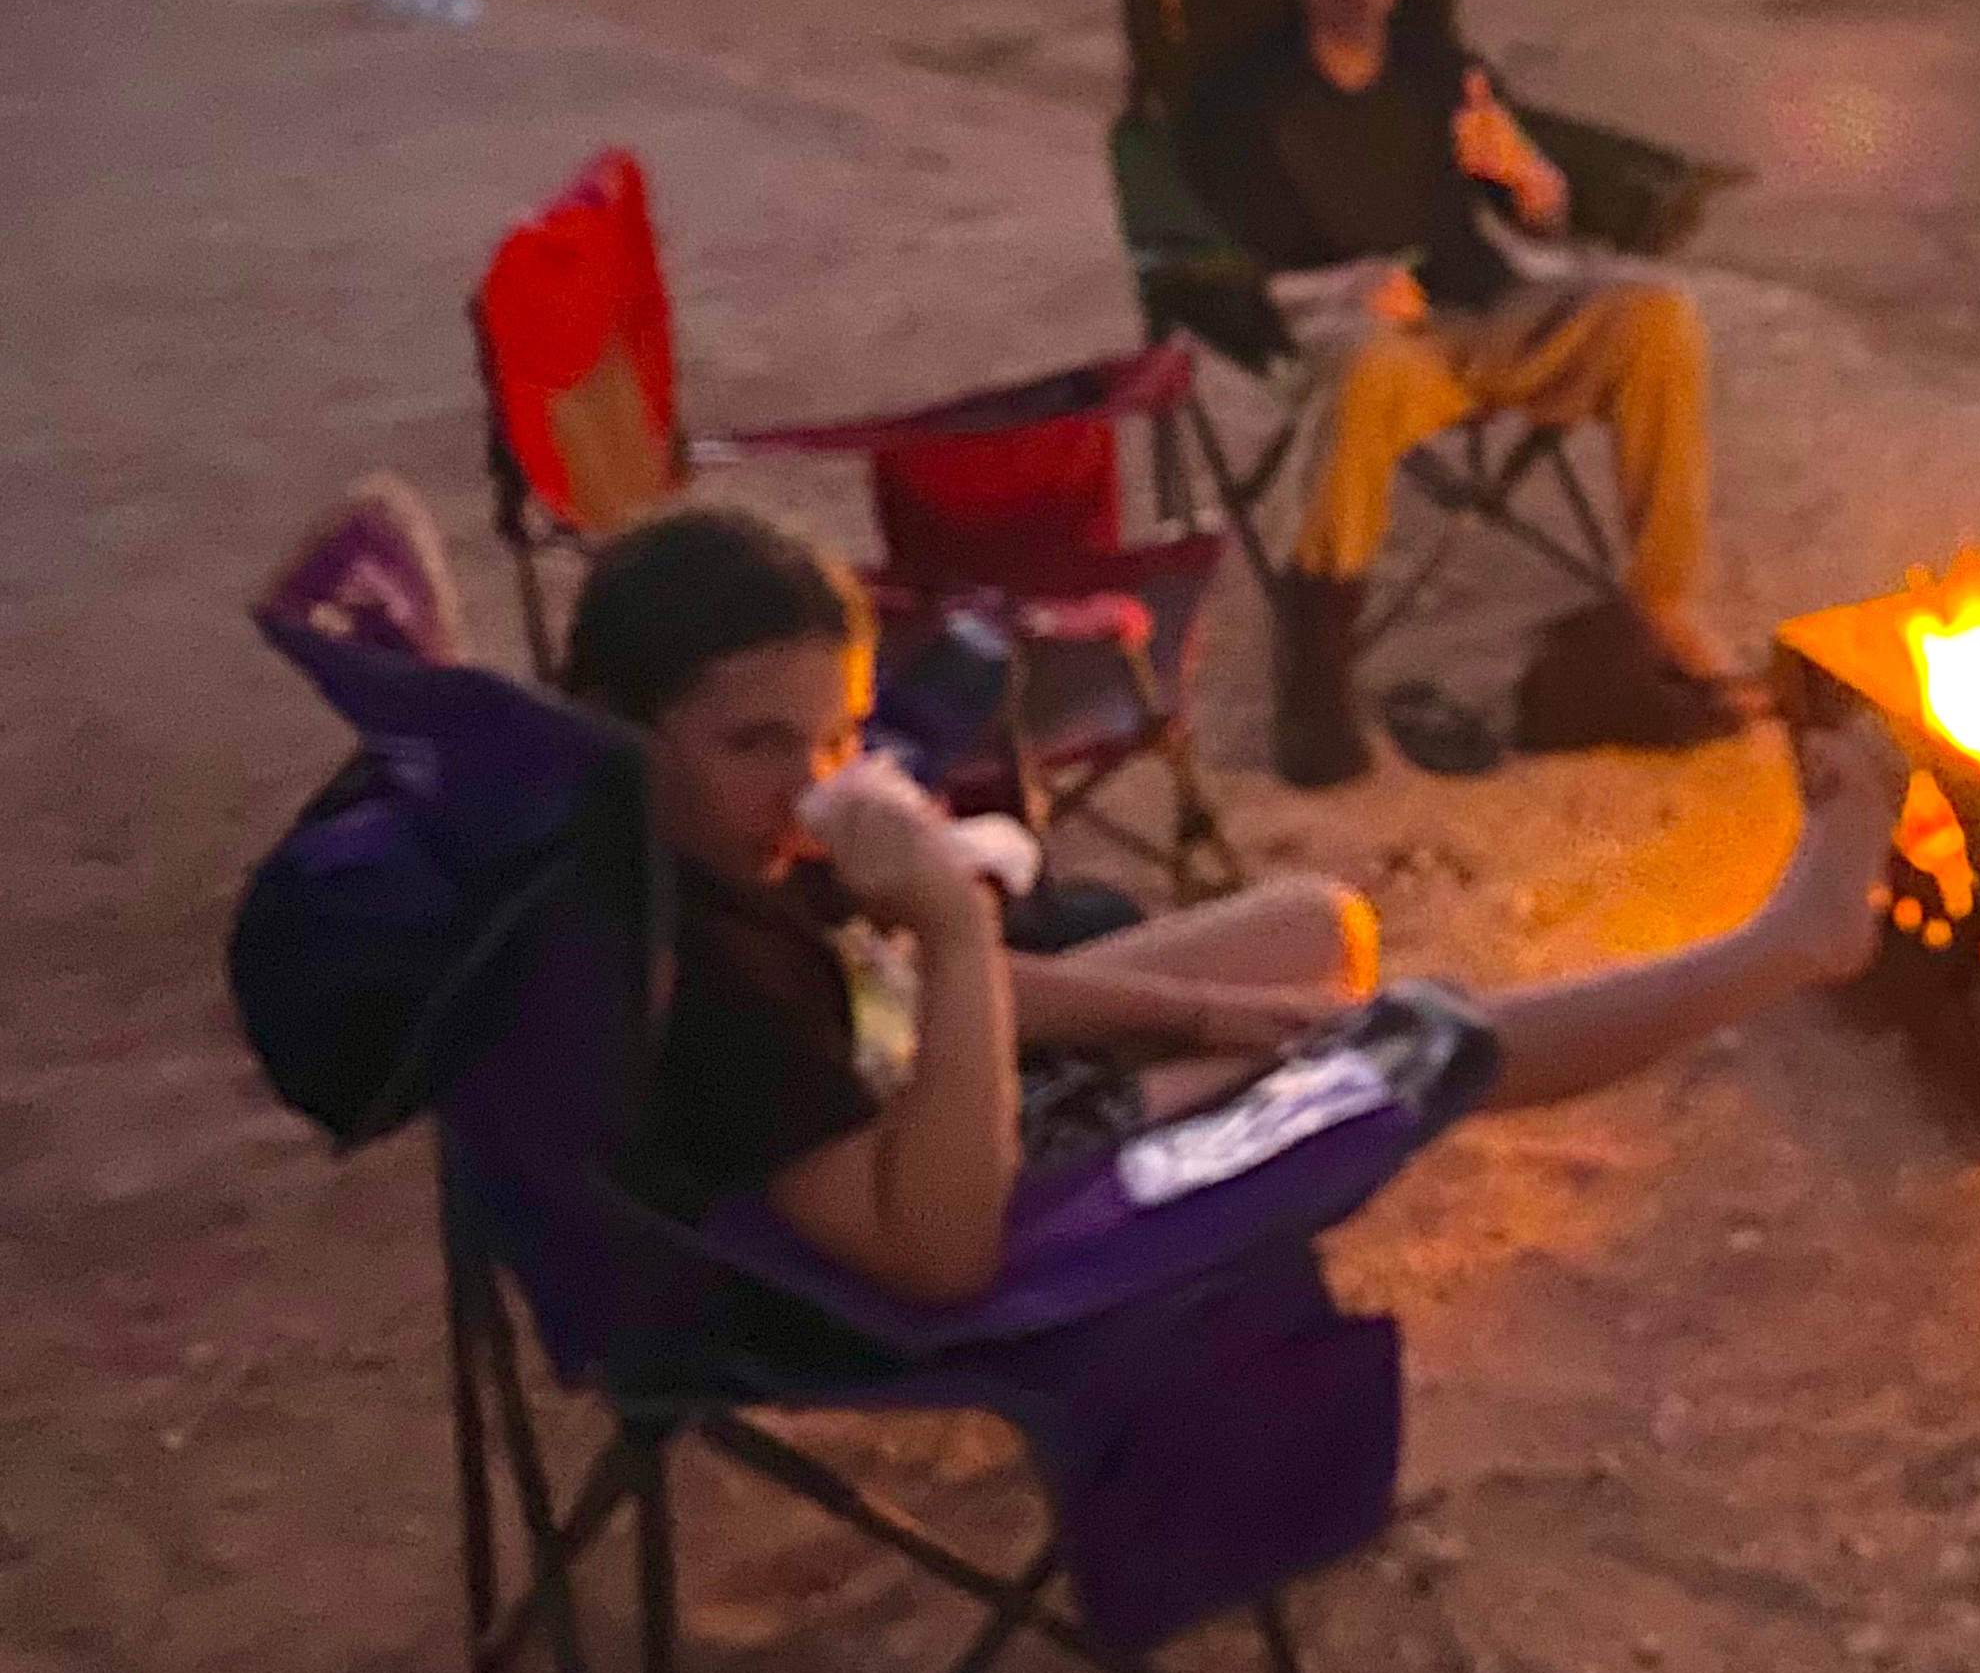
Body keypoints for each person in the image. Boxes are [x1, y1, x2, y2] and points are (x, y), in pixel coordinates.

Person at [564, 503, 1905, 1307]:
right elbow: (939, 1252)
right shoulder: (710, 983)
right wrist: (960, 926)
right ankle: (1783, 947)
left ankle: (1257, 1023)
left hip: (934, 1078)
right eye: (756, 745)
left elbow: (885, 1011)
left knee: (1313, 935)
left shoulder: (712, 857)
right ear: (627, 733)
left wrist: (1210, 1010)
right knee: (1424, 1040)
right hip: (1005, 1195)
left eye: (839, 737)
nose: (810, 790)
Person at [1176, 0, 1744, 786]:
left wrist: (1529, 179)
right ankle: (1314, 680)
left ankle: (1662, 609)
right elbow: (1216, 277)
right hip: (1368, 345)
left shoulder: (1438, 69)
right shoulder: (1241, 105)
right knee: (1362, 365)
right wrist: (1340, 286)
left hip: (1483, 317)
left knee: (1655, 314)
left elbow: (1543, 221)